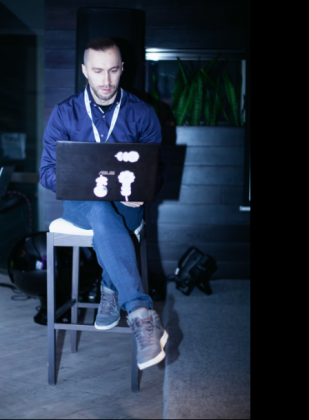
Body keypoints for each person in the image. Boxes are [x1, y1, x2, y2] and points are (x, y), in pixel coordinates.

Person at [39, 38, 168, 370]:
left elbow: (158, 171)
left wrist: (144, 188)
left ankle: (112, 287)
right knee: (98, 209)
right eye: (97, 71)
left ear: (122, 68)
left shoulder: (142, 113)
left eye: (113, 70)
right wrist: (76, 182)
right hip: (81, 205)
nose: (106, 80)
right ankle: (140, 312)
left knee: (108, 216)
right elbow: (46, 172)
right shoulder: (64, 113)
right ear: (85, 70)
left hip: (127, 205)